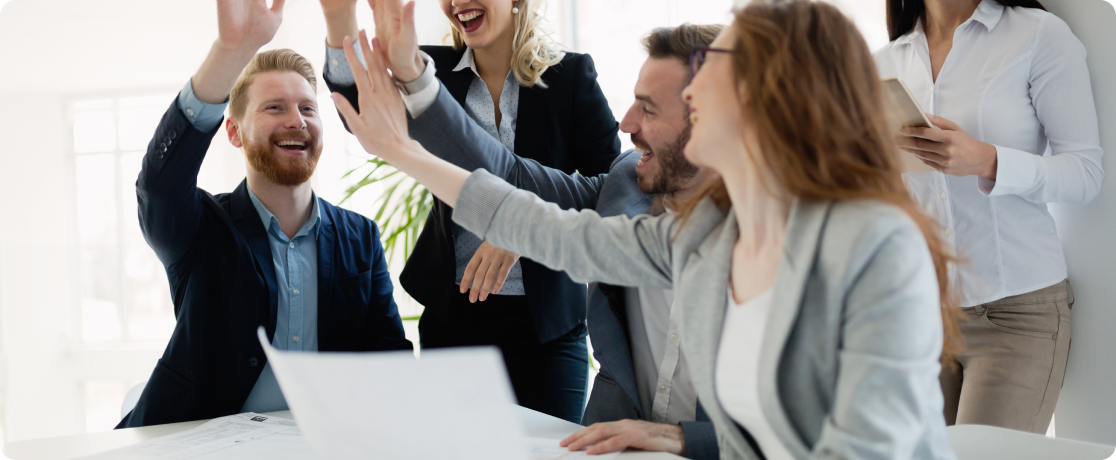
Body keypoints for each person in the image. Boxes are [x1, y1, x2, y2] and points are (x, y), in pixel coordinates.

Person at [332, 0, 962, 457]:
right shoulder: (704, 237)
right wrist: (404, 149)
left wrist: (685, 441)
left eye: (710, 66)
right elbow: (547, 227)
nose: (628, 121)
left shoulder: (874, 244)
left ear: (765, 101)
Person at [330, 3, 724, 455]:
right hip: (465, 317)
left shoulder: (791, 247)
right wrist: (404, 135)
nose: (626, 122)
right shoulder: (623, 188)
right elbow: (511, 180)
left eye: (649, 109)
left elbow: (803, 428)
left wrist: (681, 439)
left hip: (547, 327)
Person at [318, 0, 620, 423]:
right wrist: (339, 17)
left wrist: (521, 230)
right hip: (455, 318)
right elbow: (359, 107)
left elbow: (612, 191)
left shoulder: (571, 76)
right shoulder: (427, 71)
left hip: (547, 326)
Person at [118, 0, 411, 429]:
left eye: (308, 109)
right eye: (275, 107)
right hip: (203, 443)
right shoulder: (201, 228)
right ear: (234, 132)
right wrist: (231, 52)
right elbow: (160, 186)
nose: (297, 121)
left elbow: (389, 364)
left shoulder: (360, 237)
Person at [874, 0, 1102, 434]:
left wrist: (987, 160)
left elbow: (1085, 174)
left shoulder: (1038, 35)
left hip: (1016, 317)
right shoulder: (884, 63)